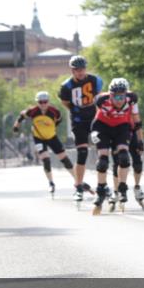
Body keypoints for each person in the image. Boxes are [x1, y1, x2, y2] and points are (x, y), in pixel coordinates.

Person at [59, 55, 104, 202]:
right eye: (77, 70)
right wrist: (78, 110)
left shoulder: (95, 80)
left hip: (94, 118)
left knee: (103, 149)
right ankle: (78, 186)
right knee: (82, 153)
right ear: (72, 70)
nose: (80, 72)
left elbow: (99, 99)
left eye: (82, 69)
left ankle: (103, 185)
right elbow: (66, 103)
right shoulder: (66, 86)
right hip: (78, 121)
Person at [14, 90, 76, 196]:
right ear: (37, 102)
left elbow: (59, 120)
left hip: (52, 137)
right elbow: (21, 116)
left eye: (45, 102)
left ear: (48, 102)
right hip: (39, 138)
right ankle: (51, 183)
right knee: (46, 160)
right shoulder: (32, 111)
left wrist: (52, 127)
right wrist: (16, 126)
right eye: (40, 102)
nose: (43, 104)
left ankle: (77, 180)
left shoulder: (55, 111)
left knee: (64, 159)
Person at [88, 77, 136, 214]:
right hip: (102, 127)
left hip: (121, 127)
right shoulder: (101, 100)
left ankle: (122, 188)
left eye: (122, 96)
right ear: (110, 95)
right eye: (115, 96)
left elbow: (136, 118)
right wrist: (93, 133)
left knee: (124, 158)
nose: (119, 100)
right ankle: (101, 190)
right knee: (103, 161)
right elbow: (94, 116)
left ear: (126, 94)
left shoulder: (132, 99)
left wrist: (138, 138)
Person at [109, 88, 144, 208]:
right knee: (118, 162)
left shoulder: (132, 100)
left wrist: (140, 140)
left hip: (131, 132)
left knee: (137, 162)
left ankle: (137, 186)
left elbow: (138, 122)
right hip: (118, 134)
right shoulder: (110, 101)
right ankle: (116, 191)